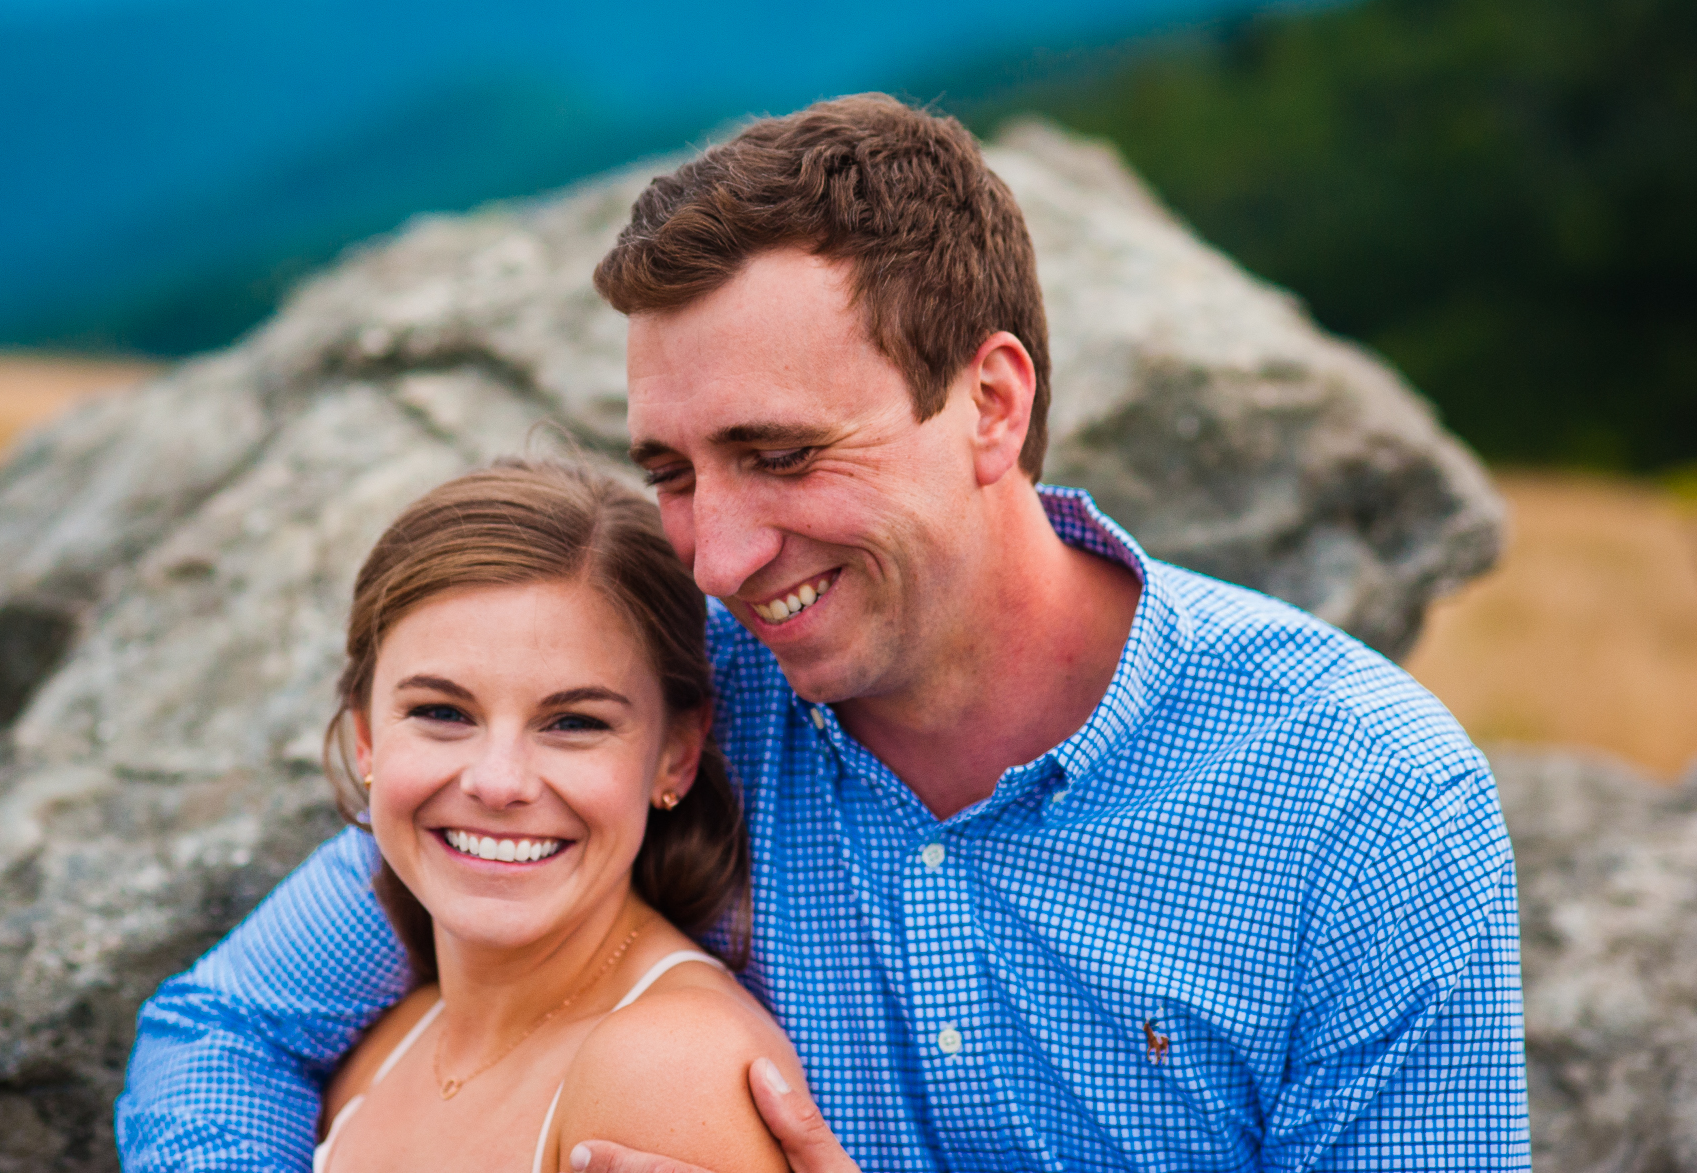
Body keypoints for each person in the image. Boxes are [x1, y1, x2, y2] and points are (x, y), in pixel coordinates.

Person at [118, 94, 1529, 1170]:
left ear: (992, 402)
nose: (718, 555)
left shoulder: (1361, 799)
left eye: (781, 453)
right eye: (673, 470)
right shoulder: (659, 702)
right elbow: (224, 1031)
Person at [311, 462, 802, 1172]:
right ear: (366, 739)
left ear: (675, 755)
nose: (498, 781)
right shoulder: (387, 1042)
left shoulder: (665, 1070)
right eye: (441, 712)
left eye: (573, 721)